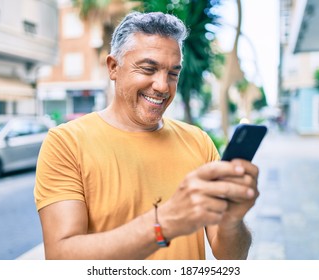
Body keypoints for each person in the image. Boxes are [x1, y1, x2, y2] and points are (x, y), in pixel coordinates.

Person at [34, 11, 259, 260]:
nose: (163, 86)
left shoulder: (199, 141)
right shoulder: (66, 143)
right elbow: (60, 258)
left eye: (173, 73)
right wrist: (164, 223)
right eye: (148, 68)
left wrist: (232, 220)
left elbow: (231, 258)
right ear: (113, 67)